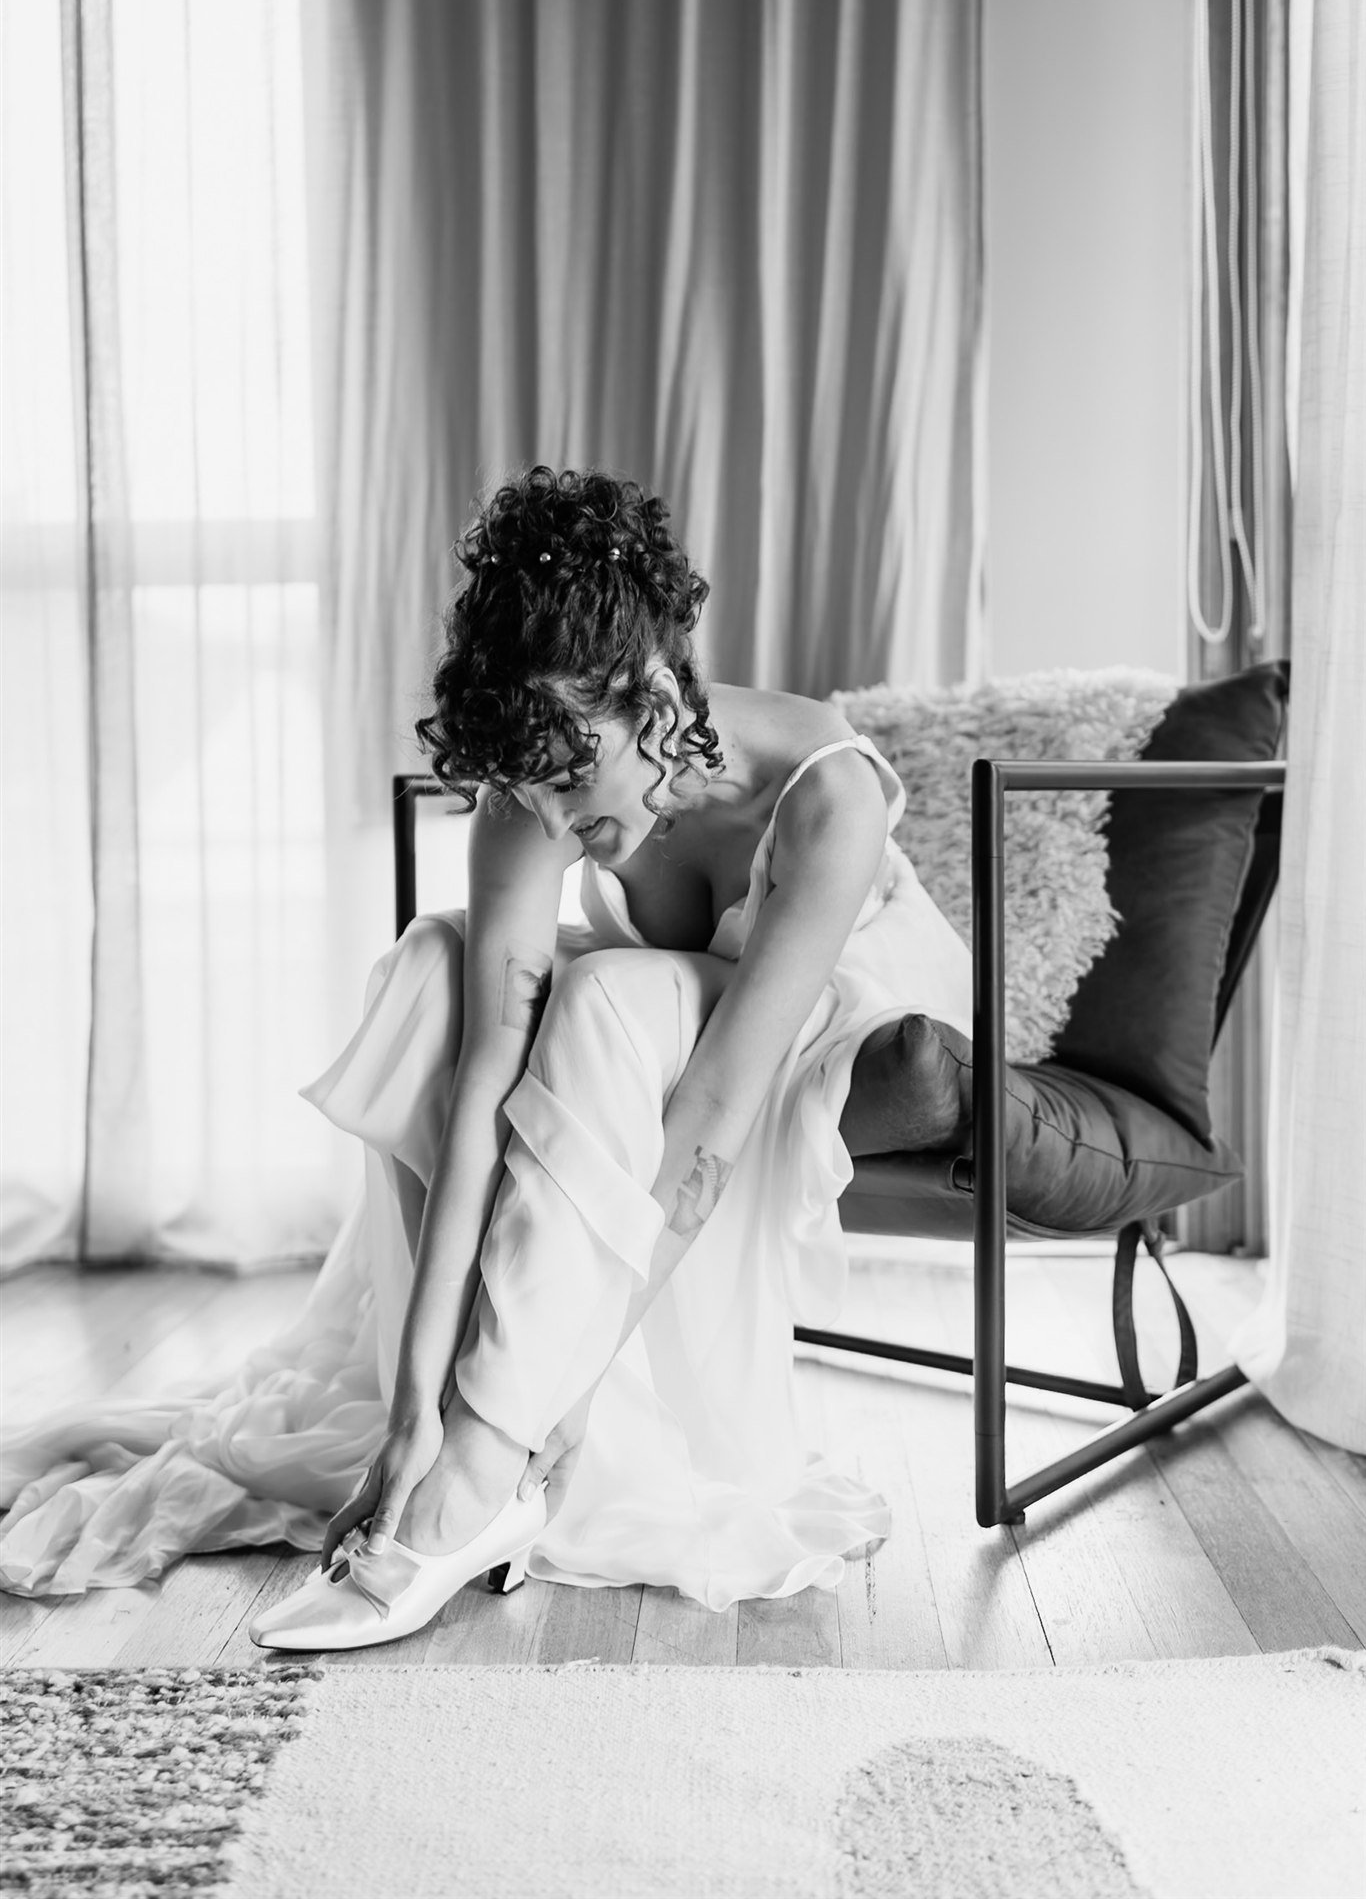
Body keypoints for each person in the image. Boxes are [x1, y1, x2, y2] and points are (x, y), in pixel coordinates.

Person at [0, 465, 973, 1646]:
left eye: (572, 783)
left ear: (656, 699)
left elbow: (716, 1111)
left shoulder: (827, 798)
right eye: (535, 791)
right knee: (431, 963)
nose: (558, 822)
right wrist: (416, 1391)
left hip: (837, 1021)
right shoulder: (541, 764)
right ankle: (452, 1436)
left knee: (611, 997)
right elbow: (481, 1082)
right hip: (675, 1022)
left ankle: (481, 1471)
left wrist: (566, 1382)